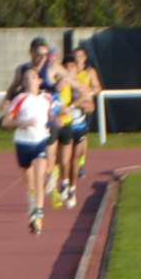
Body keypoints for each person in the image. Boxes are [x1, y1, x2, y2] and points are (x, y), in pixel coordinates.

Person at [2, 66, 55, 235]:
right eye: (26, 78)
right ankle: (33, 205)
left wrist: (60, 117)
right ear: (23, 83)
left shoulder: (48, 98)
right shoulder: (20, 99)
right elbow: (6, 122)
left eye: (33, 77)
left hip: (41, 141)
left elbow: (54, 115)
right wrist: (23, 123)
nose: (29, 80)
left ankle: (38, 214)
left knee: (39, 179)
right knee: (29, 183)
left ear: (39, 80)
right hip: (23, 143)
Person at [52, 56, 95, 209]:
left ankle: (72, 188)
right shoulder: (61, 84)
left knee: (75, 159)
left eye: (72, 67)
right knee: (64, 159)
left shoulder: (80, 85)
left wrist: (76, 105)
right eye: (67, 67)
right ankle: (64, 182)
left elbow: (91, 106)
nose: (69, 70)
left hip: (79, 126)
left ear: (77, 69)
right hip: (67, 124)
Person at [70, 46, 104, 178]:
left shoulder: (89, 72)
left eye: (80, 56)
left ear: (84, 58)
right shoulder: (68, 72)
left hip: (84, 107)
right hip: (71, 107)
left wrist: (87, 90)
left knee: (82, 138)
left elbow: (97, 88)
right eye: (75, 56)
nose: (77, 59)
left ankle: (81, 162)